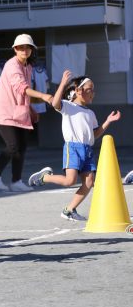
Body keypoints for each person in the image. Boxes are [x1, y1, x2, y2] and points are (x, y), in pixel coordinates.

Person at [28, 72, 121, 220]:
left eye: (93, 90)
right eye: (90, 89)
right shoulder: (67, 106)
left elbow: (95, 134)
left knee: (89, 182)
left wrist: (108, 121)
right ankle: (44, 177)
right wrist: (63, 83)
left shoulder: (91, 113)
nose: (93, 93)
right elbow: (54, 103)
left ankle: (69, 210)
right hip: (73, 148)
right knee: (69, 181)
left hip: (88, 150)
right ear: (79, 91)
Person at [0, 34, 54, 192]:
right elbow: (21, 87)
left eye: (27, 47)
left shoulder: (27, 67)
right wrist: (44, 96)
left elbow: (23, 93)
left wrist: (31, 109)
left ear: (31, 50)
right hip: (5, 112)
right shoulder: (12, 65)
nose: (24, 50)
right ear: (15, 49)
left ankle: (16, 181)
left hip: (19, 112)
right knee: (12, 146)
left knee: (22, 146)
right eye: (21, 47)